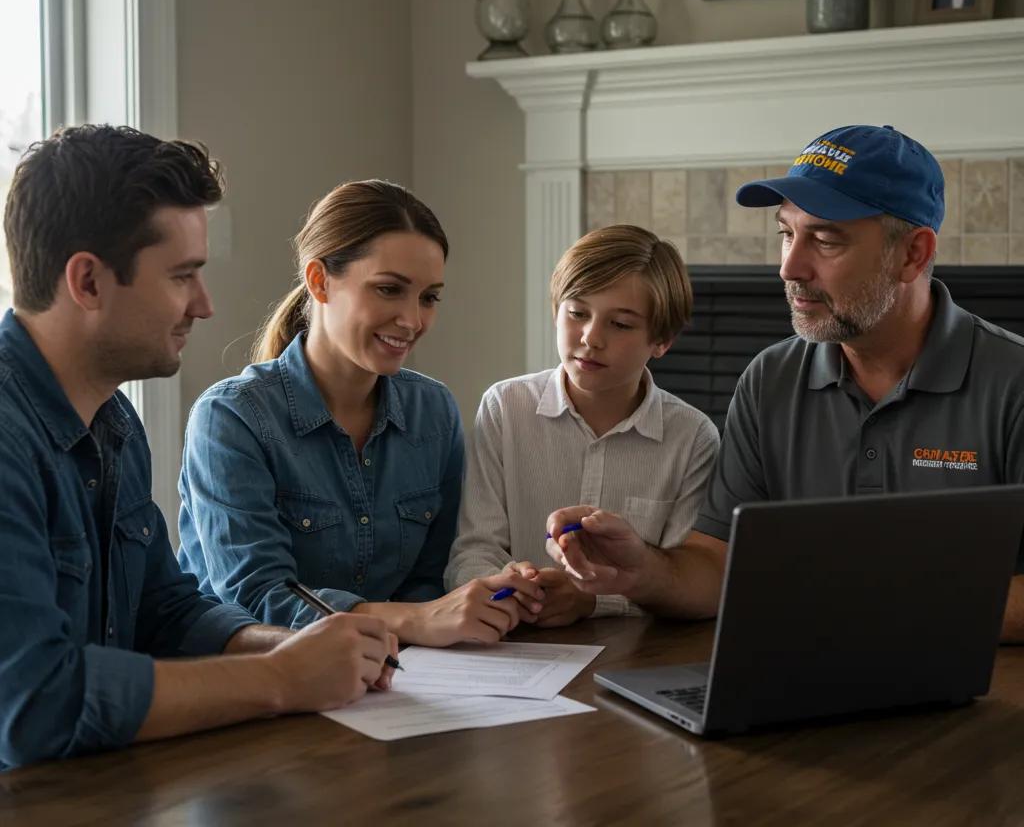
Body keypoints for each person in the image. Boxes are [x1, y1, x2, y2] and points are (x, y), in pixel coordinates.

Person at [0, 125, 396, 771]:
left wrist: (303, 647)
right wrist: (283, 681)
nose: (205, 305)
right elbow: (33, 704)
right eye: (183, 276)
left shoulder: (115, 421)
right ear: (89, 283)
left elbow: (167, 612)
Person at [544, 125, 1024, 641]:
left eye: (825, 239)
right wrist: (641, 570)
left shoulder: (1012, 383)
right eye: (787, 233)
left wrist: (870, 604)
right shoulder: (770, 380)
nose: (790, 267)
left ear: (913, 254)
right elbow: (716, 564)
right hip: (802, 685)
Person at [177, 180, 542, 647]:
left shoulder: (433, 411)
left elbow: (433, 578)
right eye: (389, 290)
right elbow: (257, 596)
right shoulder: (231, 417)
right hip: (257, 683)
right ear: (319, 280)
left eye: (429, 297)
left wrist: (496, 594)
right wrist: (415, 620)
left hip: (398, 677)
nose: (412, 320)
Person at [445, 224, 719, 626]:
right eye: (577, 313)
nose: (591, 338)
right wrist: (511, 588)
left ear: (662, 341)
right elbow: (473, 550)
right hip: (512, 642)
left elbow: (684, 581)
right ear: (556, 311)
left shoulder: (692, 438)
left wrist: (592, 601)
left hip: (633, 654)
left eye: (621, 324)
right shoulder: (506, 406)